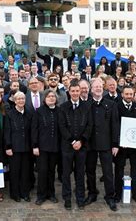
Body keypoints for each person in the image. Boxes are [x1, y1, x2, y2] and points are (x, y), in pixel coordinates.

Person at [84, 78, 118, 211]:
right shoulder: (86, 104)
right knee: (90, 170)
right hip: (90, 144)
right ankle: (92, 193)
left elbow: (115, 125)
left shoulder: (111, 104)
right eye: (95, 87)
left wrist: (115, 144)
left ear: (103, 88)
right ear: (91, 89)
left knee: (108, 172)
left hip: (106, 144)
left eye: (100, 86)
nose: (98, 89)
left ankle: (110, 196)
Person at [58, 80, 93, 210]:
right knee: (66, 174)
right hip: (67, 146)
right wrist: (72, 141)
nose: (75, 93)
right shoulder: (63, 107)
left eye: (77, 91)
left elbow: (90, 125)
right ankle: (67, 198)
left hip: (82, 146)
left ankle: (80, 198)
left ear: (80, 91)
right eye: (72, 91)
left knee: (80, 173)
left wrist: (81, 141)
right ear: (69, 92)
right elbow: (62, 126)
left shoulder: (87, 106)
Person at [115, 86, 136, 204]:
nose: (129, 96)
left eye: (131, 94)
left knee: (135, 170)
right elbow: (114, 125)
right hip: (121, 146)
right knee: (119, 170)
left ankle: (135, 194)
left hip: (135, 146)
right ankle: (117, 194)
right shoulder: (116, 107)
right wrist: (117, 142)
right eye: (126, 94)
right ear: (122, 94)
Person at [32, 90, 60, 205]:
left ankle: (51, 193)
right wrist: (35, 146)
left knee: (51, 171)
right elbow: (34, 130)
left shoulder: (60, 111)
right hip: (42, 147)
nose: (51, 98)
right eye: (49, 96)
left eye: (53, 96)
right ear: (44, 98)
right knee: (42, 171)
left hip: (55, 147)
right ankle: (41, 195)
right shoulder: (39, 111)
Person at [4, 91, 32, 202]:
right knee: (15, 172)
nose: (21, 101)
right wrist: (8, 147)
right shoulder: (9, 114)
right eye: (18, 99)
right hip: (14, 148)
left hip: (27, 148)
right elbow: (7, 132)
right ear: (15, 101)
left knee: (26, 171)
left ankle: (25, 193)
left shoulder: (29, 113)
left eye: (23, 99)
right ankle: (15, 193)